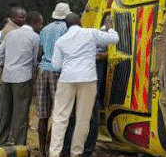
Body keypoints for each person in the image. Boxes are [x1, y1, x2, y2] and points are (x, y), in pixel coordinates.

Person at [48, 13, 119, 157]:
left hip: (67, 79)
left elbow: (55, 65)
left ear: (66, 25)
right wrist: (110, 28)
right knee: (83, 118)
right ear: (80, 22)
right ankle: (76, 152)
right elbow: (114, 39)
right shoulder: (90, 33)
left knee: (60, 117)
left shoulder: (61, 40)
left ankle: (54, 153)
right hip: (87, 79)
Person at [0, 11, 42, 146]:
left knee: (4, 112)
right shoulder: (34, 37)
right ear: (35, 23)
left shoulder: (11, 34)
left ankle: (0, 142)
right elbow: (34, 60)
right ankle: (19, 145)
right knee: (20, 115)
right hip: (23, 78)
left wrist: (5, 65)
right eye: (40, 23)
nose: (41, 26)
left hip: (7, 76)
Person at [37, 3, 71, 157]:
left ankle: (41, 150)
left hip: (43, 70)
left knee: (43, 115)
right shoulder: (67, 29)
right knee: (60, 113)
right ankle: (54, 149)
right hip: (58, 72)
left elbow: (41, 49)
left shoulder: (45, 29)